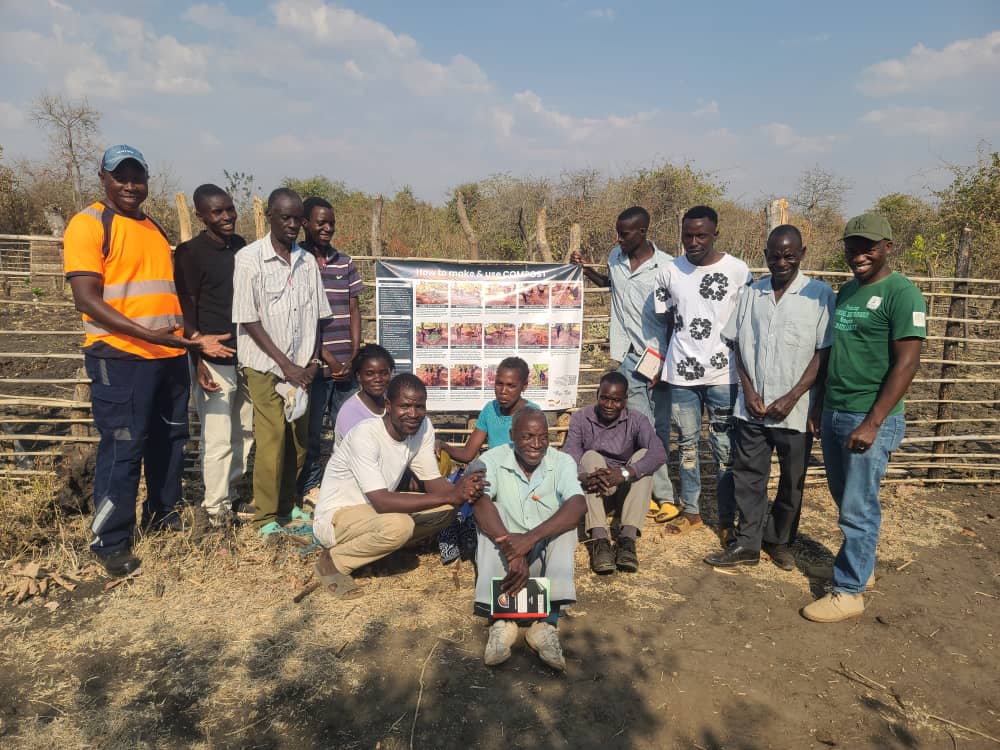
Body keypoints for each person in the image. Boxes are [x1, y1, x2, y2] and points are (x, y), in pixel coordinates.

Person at [63, 145, 232, 576]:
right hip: (122, 356)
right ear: (103, 178)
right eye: (121, 177)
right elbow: (86, 298)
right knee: (124, 445)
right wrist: (146, 334)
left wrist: (188, 344)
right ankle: (110, 540)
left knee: (169, 440)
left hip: (168, 355)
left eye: (137, 177)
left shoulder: (151, 226)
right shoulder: (89, 224)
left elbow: (169, 295)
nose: (130, 185)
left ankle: (161, 515)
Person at [802, 214, 925, 623]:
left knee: (858, 507)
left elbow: (907, 364)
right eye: (852, 248)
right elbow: (836, 353)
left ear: (888, 247)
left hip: (869, 415)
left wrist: (873, 422)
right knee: (846, 498)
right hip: (837, 409)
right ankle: (860, 568)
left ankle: (850, 591)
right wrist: (820, 405)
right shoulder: (848, 291)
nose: (859, 256)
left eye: (868, 248)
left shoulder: (902, 294)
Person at [704, 225, 834, 570]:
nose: (782, 262)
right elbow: (738, 346)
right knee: (749, 476)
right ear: (765, 256)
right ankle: (747, 543)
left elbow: (822, 352)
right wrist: (748, 391)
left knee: (792, 480)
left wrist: (793, 396)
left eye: (789, 256)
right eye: (775, 256)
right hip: (753, 409)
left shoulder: (819, 295)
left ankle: (778, 540)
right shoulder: (752, 294)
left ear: (802, 254)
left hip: (796, 409)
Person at [312, 374, 485, 598]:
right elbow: (382, 502)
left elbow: (432, 481)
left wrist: (465, 494)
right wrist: (450, 495)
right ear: (388, 405)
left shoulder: (422, 427)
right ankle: (333, 561)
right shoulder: (365, 435)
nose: (413, 414)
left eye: (419, 406)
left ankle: (380, 549)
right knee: (400, 526)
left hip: (373, 514)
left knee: (447, 510)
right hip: (338, 516)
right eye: (404, 406)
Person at [231, 188, 332, 536]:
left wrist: (312, 361)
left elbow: (318, 317)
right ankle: (265, 517)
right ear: (269, 216)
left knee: (297, 440)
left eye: (297, 219)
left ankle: (288, 505)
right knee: (272, 437)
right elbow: (248, 318)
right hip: (265, 366)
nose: (291, 225)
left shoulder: (307, 262)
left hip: (302, 369)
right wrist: (285, 365)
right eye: (284, 217)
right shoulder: (249, 259)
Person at [571, 206, 677, 522]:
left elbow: (675, 316)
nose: (619, 239)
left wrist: (668, 362)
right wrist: (586, 270)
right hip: (629, 355)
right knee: (641, 425)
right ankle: (661, 496)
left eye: (625, 233)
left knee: (658, 428)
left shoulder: (666, 267)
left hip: (658, 355)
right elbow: (611, 284)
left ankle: (657, 493)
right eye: (618, 233)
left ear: (643, 232)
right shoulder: (615, 257)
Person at [654, 205, 753, 543]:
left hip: (724, 374)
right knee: (686, 445)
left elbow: (746, 321)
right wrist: (664, 364)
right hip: (682, 375)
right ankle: (692, 512)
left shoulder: (738, 271)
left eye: (701, 235)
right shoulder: (669, 272)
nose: (694, 242)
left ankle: (726, 519)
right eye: (688, 235)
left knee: (724, 447)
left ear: (715, 234)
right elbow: (668, 322)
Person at [473, 407, 586, 671]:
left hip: (543, 555)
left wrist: (530, 539)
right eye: (527, 437)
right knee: (489, 510)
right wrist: (510, 548)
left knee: (567, 520)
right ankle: (502, 622)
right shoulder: (492, 459)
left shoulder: (562, 462)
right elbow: (479, 502)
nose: (536, 444)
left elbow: (579, 504)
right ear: (512, 435)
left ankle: (546, 624)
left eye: (543, 437)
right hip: (506, 560)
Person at [173, 184, 253, 529]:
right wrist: (198, 354)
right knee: (218, 436)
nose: (226, 217)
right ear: (200, 216)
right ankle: (215, 508)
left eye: (229, 209)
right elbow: (185, 307)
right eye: (217, 212)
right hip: (213, 358)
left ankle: (231, 493)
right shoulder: (190, 253)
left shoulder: (240, 246)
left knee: (245, 431)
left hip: (245, 353)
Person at [562, 372, 667, 574]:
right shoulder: (582, 418)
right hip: (597, 492)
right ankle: (599, 539)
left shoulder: (637, 420)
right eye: (605, 398)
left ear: (625, 400)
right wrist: (585, 476)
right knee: (590, 457)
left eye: (616, 400)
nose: (609, 405)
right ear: (597, 394)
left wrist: (625, 473)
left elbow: (658, 453)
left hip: (625, 493)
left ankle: (627, 539)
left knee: (644, 456)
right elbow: (570, 456)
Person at [297, 197, 364, 506]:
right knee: (311, 431)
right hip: (314, 363)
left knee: (348, 427)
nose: (327, 228)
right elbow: (301, 318)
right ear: (305, 223)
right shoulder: (297, 261)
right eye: (320, 222)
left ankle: (346, 484)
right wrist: (328, 358)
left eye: (331, 223)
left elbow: (354, 308)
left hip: (346, 365)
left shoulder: (344, 262)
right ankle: (309, 487)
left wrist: (353, 355)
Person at [436, 356, 536, 463]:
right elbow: (467, 454)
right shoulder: (490, 409)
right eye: (499, 384)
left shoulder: (533, 414)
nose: (503, 391)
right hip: (493, 471)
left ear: (524, 386)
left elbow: (534, 458)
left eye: (511, 386)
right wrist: (442, 445)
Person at [333, 343, 394, 445]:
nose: (378, 379)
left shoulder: (393, 401)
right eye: (370, 374)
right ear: (358, 376)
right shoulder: (350, 412)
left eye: (384, 373)